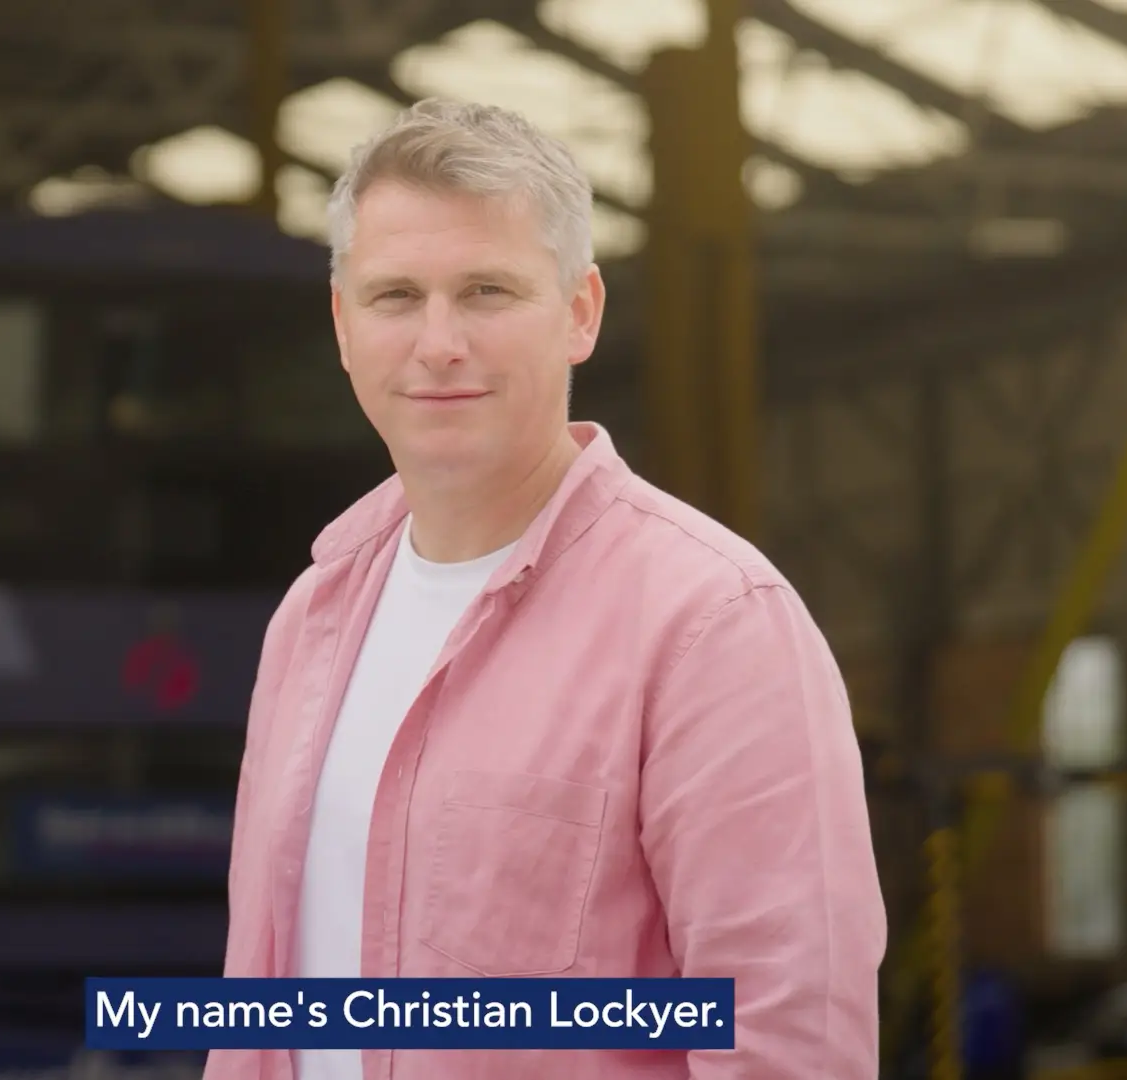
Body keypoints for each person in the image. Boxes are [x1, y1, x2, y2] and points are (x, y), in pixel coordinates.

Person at [205, 98, 885, 1080]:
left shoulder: (715, 625)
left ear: (580, 313)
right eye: (397, 296)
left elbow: (791, 1044)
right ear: (345, 326)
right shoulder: (308, 622)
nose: (440, 342)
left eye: (487, 291)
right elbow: (256, 1005)